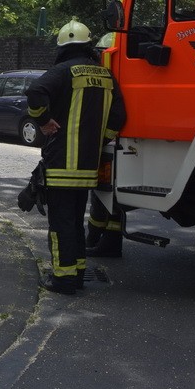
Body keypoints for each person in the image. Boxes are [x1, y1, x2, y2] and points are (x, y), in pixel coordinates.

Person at [25, 19, 126, 294]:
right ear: (88, 45)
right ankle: (78, 273)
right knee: (76, 223)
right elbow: (119, 116)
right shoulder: (105, 75)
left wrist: (43, 121)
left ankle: (64, 278)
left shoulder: (62, 71)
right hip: (88, 169)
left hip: (60, 166)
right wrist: (100, 138)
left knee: (61, 225)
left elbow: (35, 91)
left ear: (62, 48)